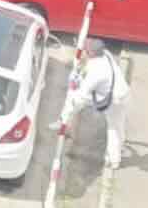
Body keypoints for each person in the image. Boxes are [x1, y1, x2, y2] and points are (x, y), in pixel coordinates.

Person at [51, 39, 131, 169]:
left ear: (91, 53)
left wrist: (71, 111)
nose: (84, 52)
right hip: (123, 93)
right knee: (118, 124)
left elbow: (82, 95)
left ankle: (113, 160)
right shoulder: (106, 55)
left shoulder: (96, 72)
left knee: (113, 129)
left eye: (86, 50)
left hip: (114, 100)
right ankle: (120, 147)